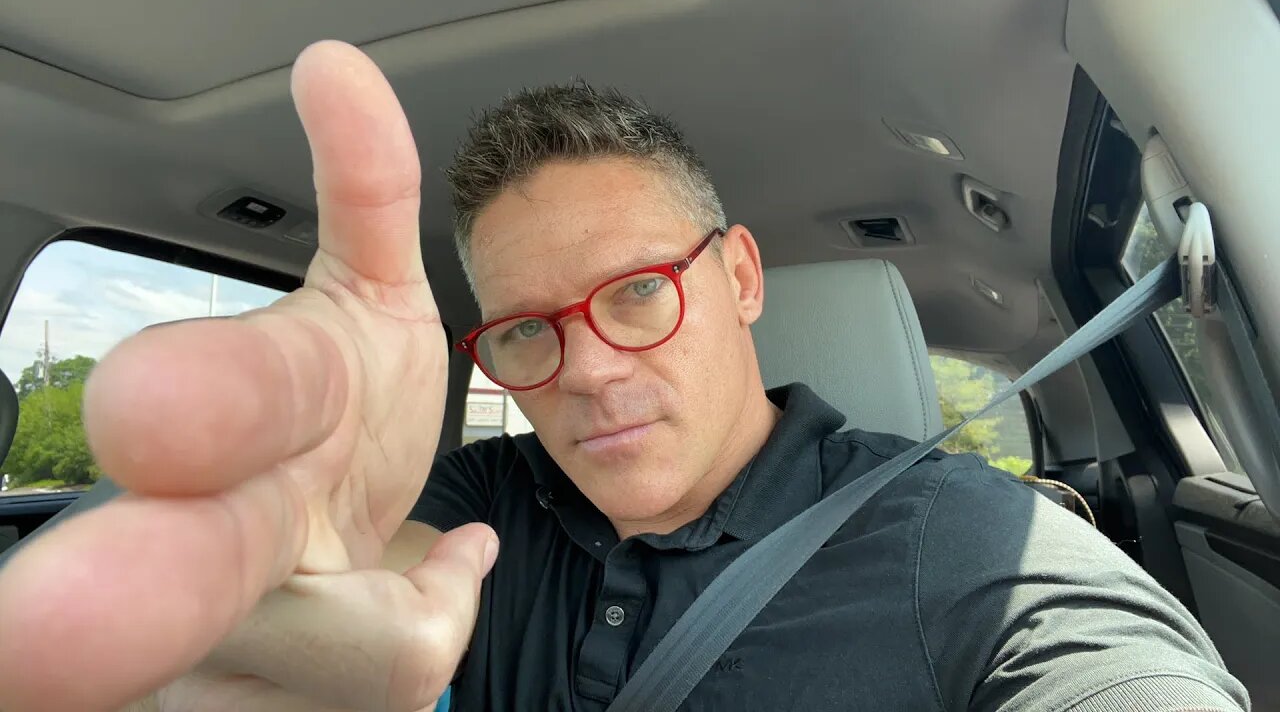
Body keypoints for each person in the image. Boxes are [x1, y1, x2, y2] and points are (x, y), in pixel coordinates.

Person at [0, 42, 1249, 712]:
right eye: (525, 331)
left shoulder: (966, 543)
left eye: (639, 290)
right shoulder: (481, 500)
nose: (588, 372)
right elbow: (371, 570)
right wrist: (287, 584)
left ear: (739, 277)